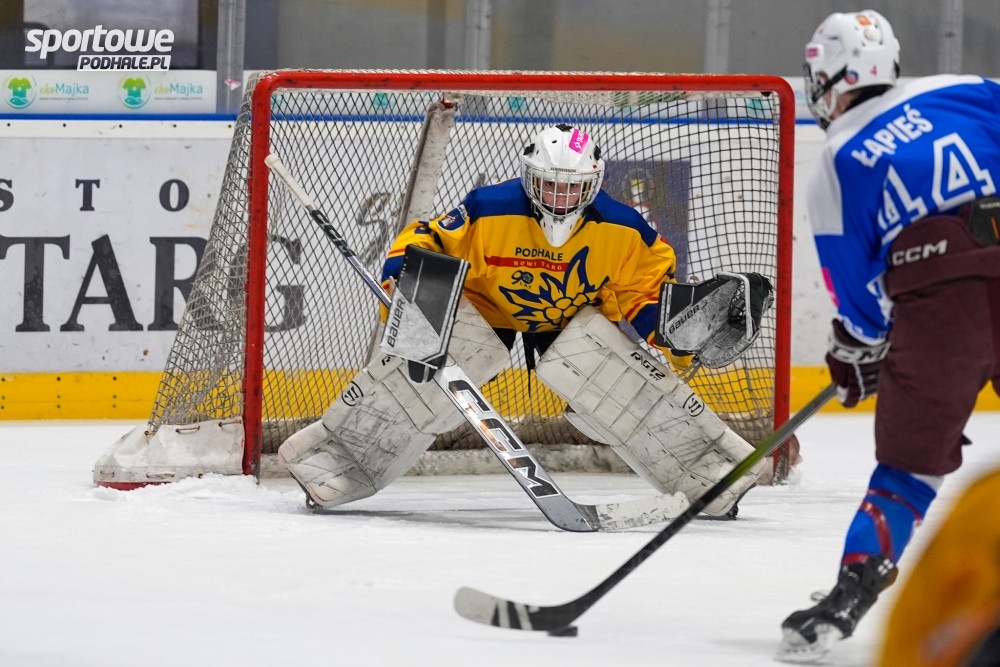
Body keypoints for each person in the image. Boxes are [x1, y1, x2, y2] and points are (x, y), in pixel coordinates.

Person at [278, 123, 769, 518]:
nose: (559, 197)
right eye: (549, 184)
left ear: (594, 184)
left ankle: (709, 471)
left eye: (572, 187)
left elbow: (643, 293)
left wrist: (674, 328)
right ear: (529, 177)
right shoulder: (489, 208)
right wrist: (407, 281)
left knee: (623, 384)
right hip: (484, 308)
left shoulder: (624, 229)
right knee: (423, 375)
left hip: (570, 318)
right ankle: (332, 460)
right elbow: (428, 240)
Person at [776, 9, 1000, 663]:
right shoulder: (963, 88)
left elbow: (857, 299)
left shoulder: (839, 157)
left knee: (907, 471)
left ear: (832, 80)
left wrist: (859, 346)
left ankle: (848, 596)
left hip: (940, 304)